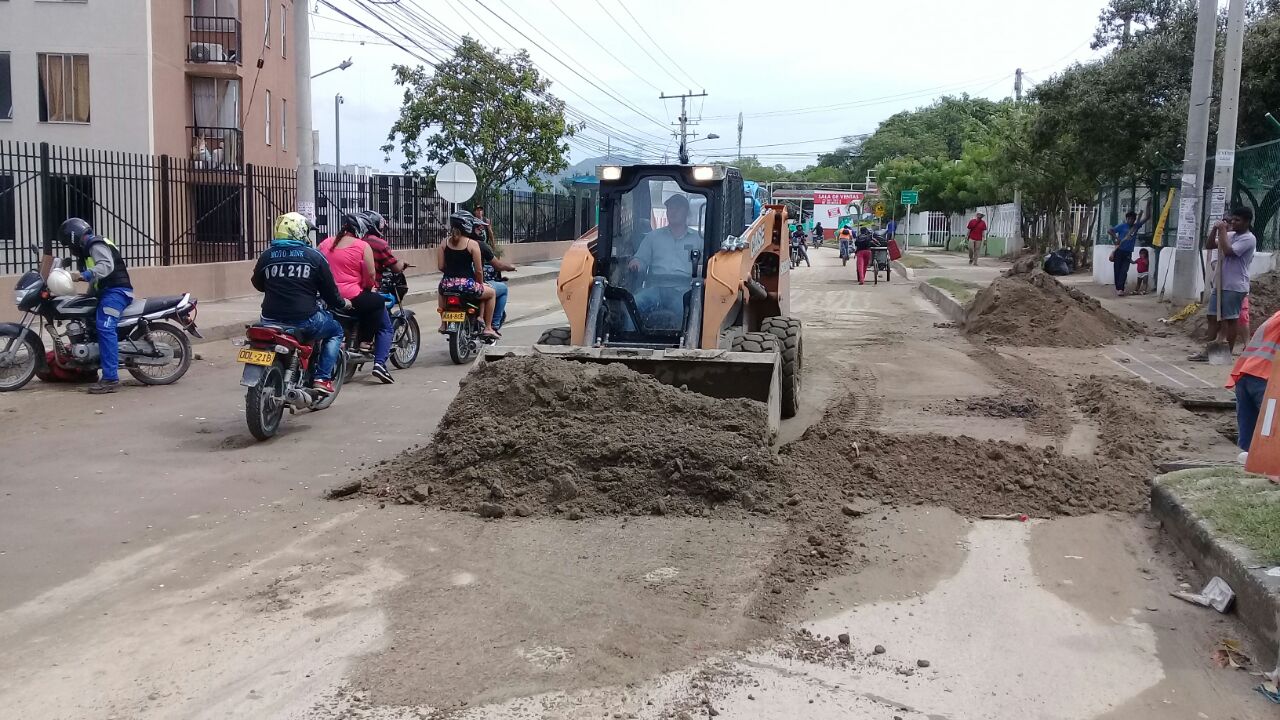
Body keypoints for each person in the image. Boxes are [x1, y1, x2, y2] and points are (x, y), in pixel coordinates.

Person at [252, 213, 350, 396]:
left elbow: (258, 284)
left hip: (268, 320)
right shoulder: (314, 257)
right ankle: (322, 378)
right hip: (304, 320)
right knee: (335, 330)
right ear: (300, 231)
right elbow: (330, 293)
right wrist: (343, 303)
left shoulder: (266, 255)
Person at [58, 218, 134, 394]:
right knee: (87, 324)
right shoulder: (87, 250)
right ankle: (89, 366)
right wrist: (86, 296)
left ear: (73, 237)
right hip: (105, 293)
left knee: (105, 327)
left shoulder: (95, 243)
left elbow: (106, 266)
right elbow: (97, 281)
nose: (70, 249)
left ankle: (111, 378)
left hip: (117, 292)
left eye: (68, 244)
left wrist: (82, 275)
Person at [320, 214, 396, 384]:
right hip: (352, 295)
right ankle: (371, 350)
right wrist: (370, 288)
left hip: (328, 296)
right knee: (378, 306)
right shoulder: (362, 246)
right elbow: (370, 275)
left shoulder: (325, 243)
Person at [1191, 207, 1258, 361]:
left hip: (1235, 285)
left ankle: (1225, 353)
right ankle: (1208, 352)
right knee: (1212, 317)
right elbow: (1209, 245)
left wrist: (1222, 230)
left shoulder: (1248, 239)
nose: (1233, 222)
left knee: (1231, 319)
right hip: (1220, 283)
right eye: (1232, 219)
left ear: (1247, 222)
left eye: (1237, 220)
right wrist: (1215, 229)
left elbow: (1228, 251)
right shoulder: (1230, 234)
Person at [627, 194, 704, 326]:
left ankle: (683, 343)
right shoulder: (653, 237)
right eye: (670, 208)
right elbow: (641, 259)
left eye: (677, 208)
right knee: (632, 304)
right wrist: (636, 263)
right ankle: (627, 340)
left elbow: (706, 266)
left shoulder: (698, 239)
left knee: (686, 312)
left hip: (682, 290)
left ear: (686, 211)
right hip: (655, 287)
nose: (672, 212)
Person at [358, 210, 409, 382]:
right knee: (385, 327)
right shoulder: (378, 243)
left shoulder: (354, 242)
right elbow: (394, 266)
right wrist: (402, 264)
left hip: (350, 290)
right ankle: (380, 364)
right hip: (371, 289)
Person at [1227, 308, 1280, 462]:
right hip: (1267, 380)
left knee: (1248, 444)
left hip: (1246, 375)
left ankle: (1248, 472)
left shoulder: (1275, 317)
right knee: (1272, 435)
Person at [438, 211, 499, 339]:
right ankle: (488, 328)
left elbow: (441, 267)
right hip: (467, 286)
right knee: (492, 293)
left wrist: (451, 278)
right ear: (467, 225)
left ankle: (443, 324)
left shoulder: (444, 242)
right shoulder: (472, 244)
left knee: (441, 290)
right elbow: (478, 271)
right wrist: (480, 283)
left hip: (447, 285)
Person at [1107, 209, 1147, 296]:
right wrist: (1116, 238)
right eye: (1129, 219)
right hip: (1119, 251)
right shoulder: (1122, 226)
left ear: (1134, 219)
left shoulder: (1136, 227)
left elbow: (1147, 217)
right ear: (1127, 219)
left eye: (1132, 219)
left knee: (1124, 270)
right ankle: (1118, 288)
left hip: (1128, 253)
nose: (1131, 220)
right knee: (1117, 270)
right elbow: (1110, 230)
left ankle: (1121, 289)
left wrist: (1148, 205)